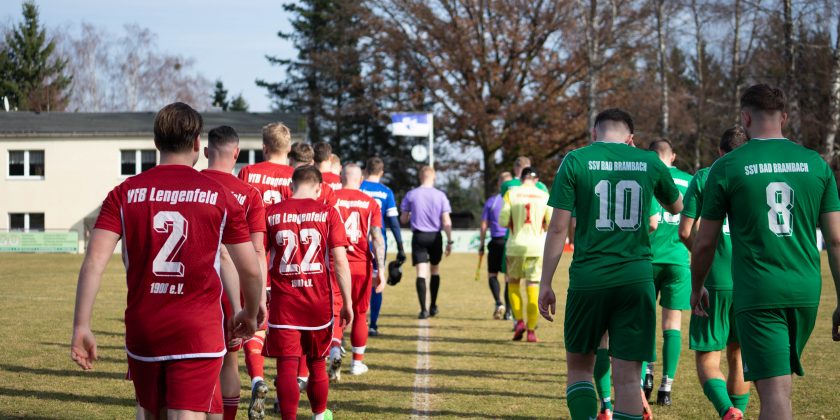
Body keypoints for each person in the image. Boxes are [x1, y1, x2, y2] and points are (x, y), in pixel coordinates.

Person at [70, 102, 263, 419]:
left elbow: (93, 262)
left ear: (156, 141)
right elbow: (251, 271)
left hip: (144, 327)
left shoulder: (123, 192)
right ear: (198, 143)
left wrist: (81, 325)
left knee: (150, 413)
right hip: (197, 327)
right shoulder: (219, 195)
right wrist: (250, 313)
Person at [690, 84, 840, 420]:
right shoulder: (815, 164)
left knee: (773, 392)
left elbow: (703, 241)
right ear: (784, 117)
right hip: (806, 290)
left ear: (745, 119)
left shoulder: (728, 166)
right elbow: (837, 241)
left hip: (760, 291)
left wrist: (697, 284)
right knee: (779, 389)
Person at [539, 108, 682, 420]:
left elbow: (558, 228)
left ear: (594, 133)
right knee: (629, 378)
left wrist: (546, 282)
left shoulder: (575, 160)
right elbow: (676, 205)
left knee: (579, 371)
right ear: (631, 138)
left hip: (588, 279)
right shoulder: (649, 161)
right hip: (635, 277)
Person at [263, 165, 353, 420]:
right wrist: (347, 302)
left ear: (292, 186)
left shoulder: (271, 213)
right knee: (316, 364)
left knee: (287, 366)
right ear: (319, 188)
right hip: (318, 302)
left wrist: (260, 295)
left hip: (284, 302)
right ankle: (319, 415)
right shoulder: (328, 213)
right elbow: (340, 261)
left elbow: (261, 255)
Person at [678, 126, 749, 420]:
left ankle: (727, 411)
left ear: (719, 152)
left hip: (715, 276)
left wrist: (702, 257)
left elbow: (684, 232)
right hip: (750, 278)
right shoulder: (756, 175)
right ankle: (739, 411)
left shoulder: (706, 176)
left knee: (708, 357)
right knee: (738, 355)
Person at [201, 126, 269, 420]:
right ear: (237, 153)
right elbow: (256, 251)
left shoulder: (191, 184)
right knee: (229, 361)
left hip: (195, 285)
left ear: (205, 152)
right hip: (235, 292)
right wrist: (261, 298)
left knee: (199, 363)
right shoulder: (249, 193)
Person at [237, 122, 295, 407]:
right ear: (289, 148)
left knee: (253, 323)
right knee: (288, 329)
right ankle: (290, 386)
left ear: (264, 147)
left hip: (253, 258)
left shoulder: (249, 172)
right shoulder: (298, 177)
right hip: (287, 263)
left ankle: (257, 378)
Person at [643, 138, 693, 406]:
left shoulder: (646, 175)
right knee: (672, 325)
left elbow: (648, 221)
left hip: (648, 259)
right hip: (678, 259)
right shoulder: (689, 180)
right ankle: (666, 388)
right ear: (672, 156)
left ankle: (647, 373)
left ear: (651, 156)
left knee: (645, 320)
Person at [334, 163, 387, 377]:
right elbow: (377, 237)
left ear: (340, 177)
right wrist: (381, 269)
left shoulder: (331, 198)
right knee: (359, 313)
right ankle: (357, 363)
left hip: (335, 264)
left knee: (336, 311)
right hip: (360, 265)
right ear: (361, 178)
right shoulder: (370, 202)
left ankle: (335, 348)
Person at [499, 167, 551, 342]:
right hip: (536, 247)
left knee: (513, 283)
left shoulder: (511, 193)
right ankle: (531, 331)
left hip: (515, 246)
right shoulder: (544, 195)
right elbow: (550, 223)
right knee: (533, 286)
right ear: (536, 180)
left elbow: (503, 220)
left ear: (521, 179)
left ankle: (519, 321)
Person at [360, 157, 407, 335]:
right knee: (376, 282)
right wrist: (401, 246)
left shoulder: (358, 188)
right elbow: (394, 222)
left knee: (356, 281)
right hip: (378, 243)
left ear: (365, 171)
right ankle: (372, 324)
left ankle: (357, 320)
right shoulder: (386, 192)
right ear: (381, 173)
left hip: (357, 241)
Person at [400, 166, 453, 319]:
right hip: (435, 237)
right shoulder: (441, 195)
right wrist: (450, 241)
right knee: (435, 270)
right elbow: (446, 220)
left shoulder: (411, 194)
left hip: (419, 236)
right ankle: (433, 306)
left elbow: (403, 218)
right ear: (434, 177)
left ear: (420, 177)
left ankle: (423, 309)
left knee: (421, 273)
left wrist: (412, 216)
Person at [479, 171, 513, 319]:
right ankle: (509, 312)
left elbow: (483, 225)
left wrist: (481, 244)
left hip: (495, 242)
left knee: (492, 274)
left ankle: (499, 303)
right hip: (510, 242)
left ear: (500, 184)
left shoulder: (492, 201)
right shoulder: (516, 200)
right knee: (509, 277)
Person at [238, 122, 295, 205]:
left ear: (265, 148)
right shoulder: (296, 175)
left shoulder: (247, 172)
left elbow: (238, 206)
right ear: (289, 148)